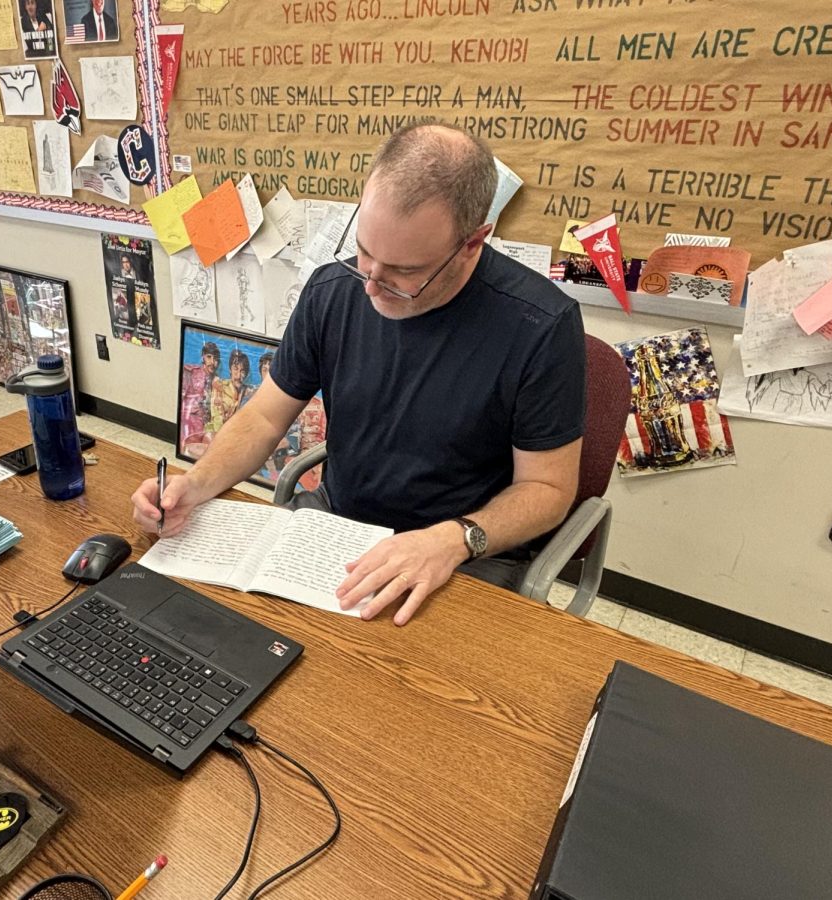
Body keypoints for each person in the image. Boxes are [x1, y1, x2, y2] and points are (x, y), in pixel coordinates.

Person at [133, 124, 586, 626]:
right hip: (337, 524)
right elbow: (264, 417)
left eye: (404, 271)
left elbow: (548, 492)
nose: (371, 285)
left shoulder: (540, 327)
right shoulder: (334, 290)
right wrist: (194, 485)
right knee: (225, 633)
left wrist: (454, 539)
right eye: (365, 252)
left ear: (473, 243)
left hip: (460, 550)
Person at [206, 349, 251, 435]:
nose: (238, 375)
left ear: (246, 374)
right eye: (235, 369)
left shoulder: (247, 392)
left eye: (242, 371)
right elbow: (217, 420)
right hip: (217, 434)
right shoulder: (220, 386)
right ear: (230, 369)